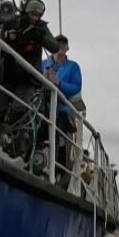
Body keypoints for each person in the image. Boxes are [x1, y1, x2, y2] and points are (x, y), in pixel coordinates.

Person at [40, 34, 81, 185]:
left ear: (67, 48)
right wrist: (42, 77)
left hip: (61, 110)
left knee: (59, 139)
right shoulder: (44, 63)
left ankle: (56, 172)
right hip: (41, 107)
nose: (60, 47)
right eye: (57, 44)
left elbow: (76, 87)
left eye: (63, 45)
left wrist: (59, 83)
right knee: (39, 132)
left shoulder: (73, 67)